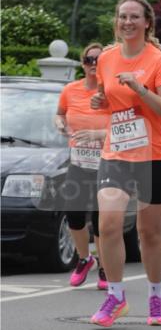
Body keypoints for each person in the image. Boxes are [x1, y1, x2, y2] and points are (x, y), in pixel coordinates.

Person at [89, 0, 161, 328]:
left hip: (154, 155)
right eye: (122, 17)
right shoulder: (107, 59)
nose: (127, 22)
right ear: (117, 22)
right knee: (108, 224)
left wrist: (142, 89)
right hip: (116, 154)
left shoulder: (158, 61)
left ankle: (156, 296)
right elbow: (109, 99)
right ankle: (115, 297)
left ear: (147, 23)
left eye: (134, 17)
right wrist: (101, 101)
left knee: (149, 232)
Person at [55, 43, 108, 289]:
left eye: (98, 60)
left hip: (107, 164)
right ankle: (84, 259)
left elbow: (125, 127)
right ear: (82, 63)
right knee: (74, 213)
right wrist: (60, 123)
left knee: (101, 219)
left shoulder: (112, 92)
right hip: (78, 161)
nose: (93, 65)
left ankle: (106, 267)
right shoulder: (70, 90)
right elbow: (60, 113)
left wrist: (99, 134)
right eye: (89, 60)